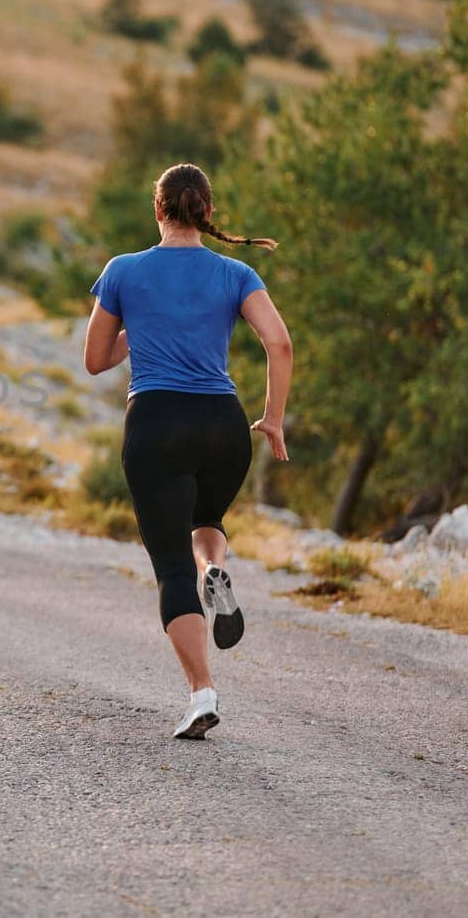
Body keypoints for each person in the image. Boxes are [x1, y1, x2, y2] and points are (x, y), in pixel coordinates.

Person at [82, 162, 293, 739]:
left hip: (155, 422)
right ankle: (217, 571)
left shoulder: (124, 271)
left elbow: (96, 360)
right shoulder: (235, 272)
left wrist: (142, 325)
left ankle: (202, 693)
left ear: (158, 210)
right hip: (223, 426)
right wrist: (272, 419)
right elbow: (279, 342)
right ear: (208, 213)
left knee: (171, 564)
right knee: (207, 520)